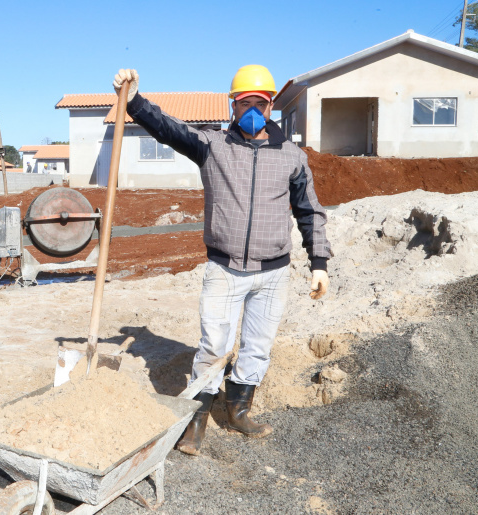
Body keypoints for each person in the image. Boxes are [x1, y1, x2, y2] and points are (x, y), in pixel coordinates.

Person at [113, 66, 332, 452]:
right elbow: (169, 128)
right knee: (214, 346)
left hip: (274, 273)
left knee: (257, 345)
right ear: (232, 105)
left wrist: (319, 262)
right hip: (224, 269)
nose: (251, 110)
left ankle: (238, 412)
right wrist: (134, 101)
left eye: (259, 103)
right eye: (244, 102)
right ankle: (196, 420)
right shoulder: (213, 145)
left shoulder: (292, 156)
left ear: (269, 108)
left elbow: (309, 211)